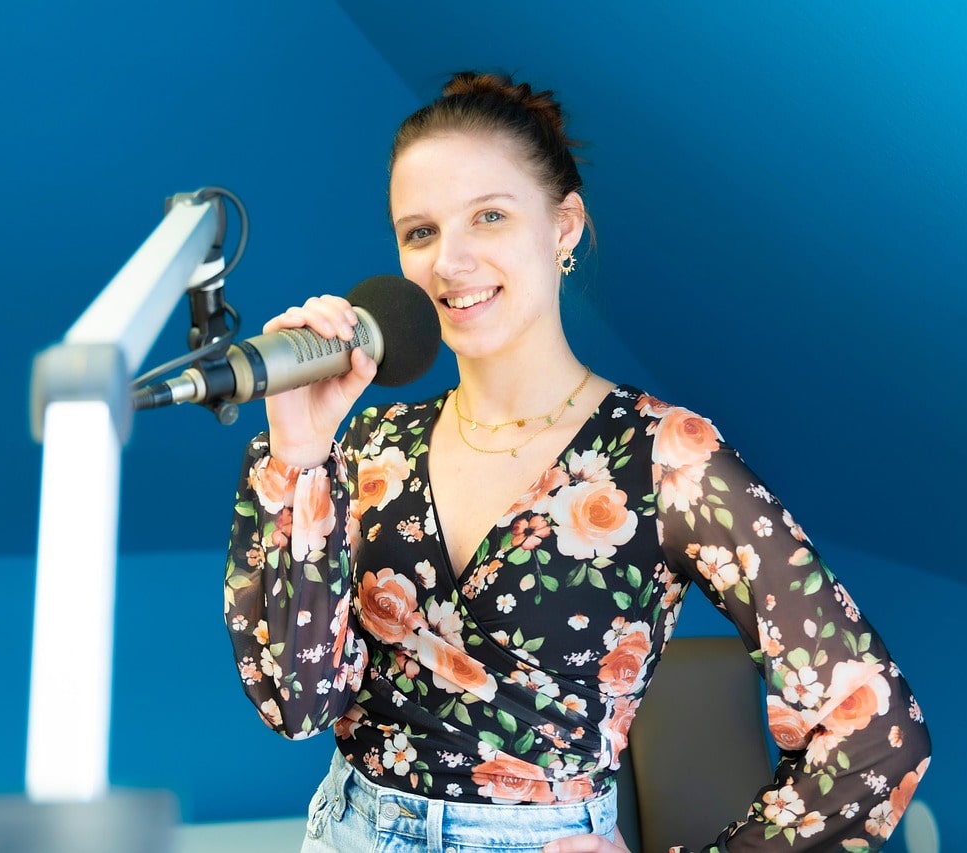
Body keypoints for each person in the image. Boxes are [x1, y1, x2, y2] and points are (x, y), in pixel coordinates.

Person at [224, 71, 931, 852]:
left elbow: (878, 733)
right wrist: (299, 450)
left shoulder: (667, 458)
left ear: (563, 228)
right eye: (419, 232)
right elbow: (297, 703)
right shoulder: (364, 447)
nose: (449, 261)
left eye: (488, 216)